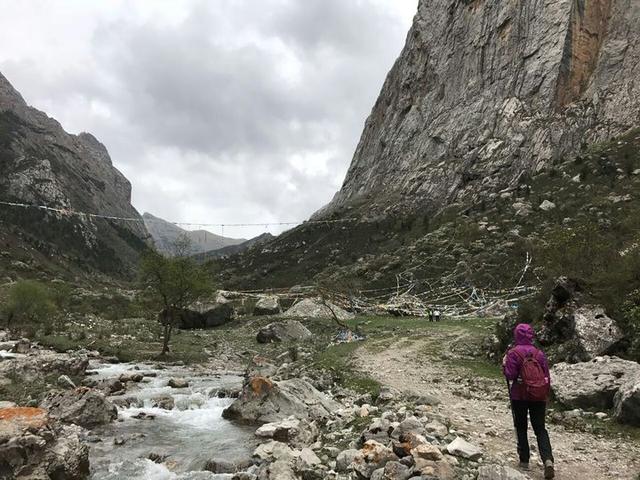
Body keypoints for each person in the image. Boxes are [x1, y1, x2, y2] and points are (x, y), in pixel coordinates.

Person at [503, 323, 554, 479]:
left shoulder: (513, 353)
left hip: (519, 395)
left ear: (516, 335)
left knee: (521, 426)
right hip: (538, 395)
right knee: (540, 428)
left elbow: (510, 376)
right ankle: (547, 460)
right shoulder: (539, 353)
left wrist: (504, 364)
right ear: (532, 335)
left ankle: (524, 460)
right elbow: (546, 376)